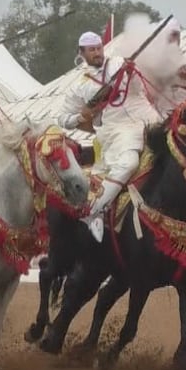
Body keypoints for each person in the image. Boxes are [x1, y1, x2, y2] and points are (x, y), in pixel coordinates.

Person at [58, 30, 164, 241]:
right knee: (128, 164)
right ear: (82, 52)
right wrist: (81, 116)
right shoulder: (79, 86)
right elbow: (62, 119)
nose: (97, 52)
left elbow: (140, 86)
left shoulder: (118, 63)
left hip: (150, 119)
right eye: (92, 50)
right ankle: (95, 211)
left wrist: (131, 71)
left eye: (99, 48)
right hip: (118, 129)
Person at [152, 17, 186, 114]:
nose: (171, 39)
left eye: (174, 35)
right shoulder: (152, 59)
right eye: (167, 35)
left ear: (179, 37)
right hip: (160, 112)